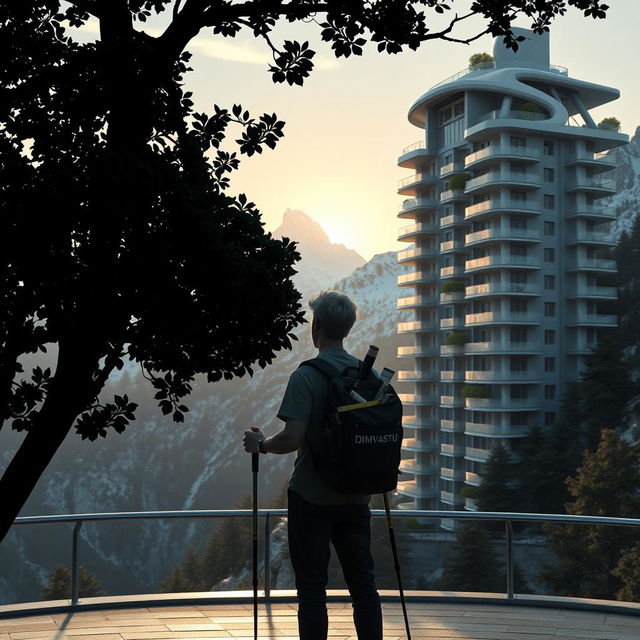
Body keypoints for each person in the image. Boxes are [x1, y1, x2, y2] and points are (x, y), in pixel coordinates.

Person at [243, 290, 383, 640]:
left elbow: (291, 438)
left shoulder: (306, 376)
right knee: (364, 587)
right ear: (347, 329)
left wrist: (260, 445)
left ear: (316, 325)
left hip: (311, 497)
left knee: (311, 591)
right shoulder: (369, 376)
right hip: (356, 496)